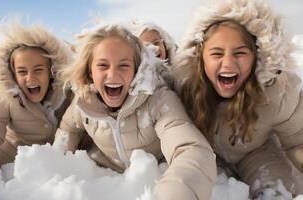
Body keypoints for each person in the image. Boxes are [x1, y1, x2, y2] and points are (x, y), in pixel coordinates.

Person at [52, 24, 216, 200]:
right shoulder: (83, 102)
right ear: (90, 71)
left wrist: (177, 192)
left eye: (123, 65)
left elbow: (190, 149)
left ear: (137, 70)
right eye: (102, 65)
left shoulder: (158, 100)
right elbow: (69, 129)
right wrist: (59, 164)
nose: (113, 75)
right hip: (105, 179)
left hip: (153, 179)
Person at [174, 0, 303, 198]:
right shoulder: (184, 85)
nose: (228, 63)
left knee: (274, 190)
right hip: (207, 155)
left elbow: (301, 142)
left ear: (256, 57)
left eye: (240, 53)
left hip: (256, 151)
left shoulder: (278, 91)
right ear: (200, 58)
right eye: (217, 54)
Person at [0, 20, 73, 174]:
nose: (30, 78)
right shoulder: (5, 95)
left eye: (38, 70)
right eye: (22, 72)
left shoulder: (66, 92)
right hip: (13, 153)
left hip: (57, 157)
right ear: (13, 74)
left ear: (51, 72)